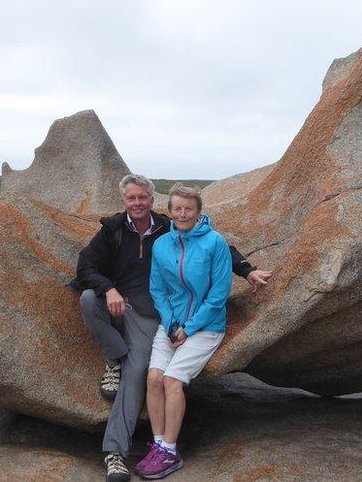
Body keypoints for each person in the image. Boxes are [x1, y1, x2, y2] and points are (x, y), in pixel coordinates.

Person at [74, 174, 272, 482]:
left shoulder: (167, 227)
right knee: (89, 298)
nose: (137, 203)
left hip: (153, 315)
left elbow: (219, 248)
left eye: (143, 198)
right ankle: (114, 357)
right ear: (124, 201)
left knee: (140, 371)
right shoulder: (112, 229)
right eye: (131, 198)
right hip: (129, 304)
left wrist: (247, 270)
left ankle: (117, 452)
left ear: (153, 202)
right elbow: (85, 266)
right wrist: (108, 288)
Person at [134, 183, 229, 479]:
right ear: (170, 211)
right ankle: (160, 444)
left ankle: (171, 452)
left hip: (205, 326)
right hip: (172, 324)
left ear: (198, 211)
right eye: (177, 208)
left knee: (173, 380)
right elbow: (157, 289)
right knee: (153, 379)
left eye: (189, 209)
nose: (183, 213)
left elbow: (219, 293)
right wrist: (172, 323)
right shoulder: (162, 245)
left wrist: (188, 328)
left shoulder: (215, 243)